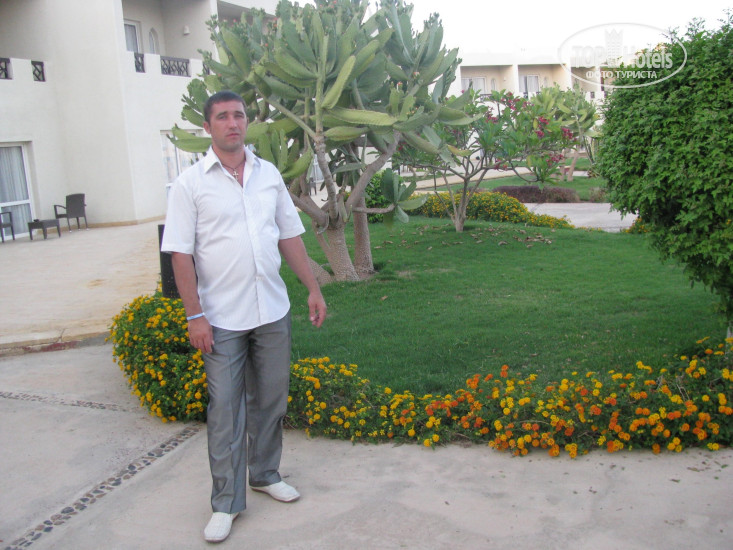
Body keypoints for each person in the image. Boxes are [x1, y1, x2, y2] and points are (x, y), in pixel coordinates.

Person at [161, 90, 327, 543]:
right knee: (226, 411)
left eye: (238, 115)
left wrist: (312, 288)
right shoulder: (190, 185)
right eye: (222, 117)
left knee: (271, 400)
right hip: (220, 317)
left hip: (271, 308)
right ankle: (226, 503)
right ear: (208, 127)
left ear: (246, 122)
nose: (232, 123)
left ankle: (265, 473)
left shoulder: (267, 174)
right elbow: (180, 254)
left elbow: (289, 235)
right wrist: (194, 316)